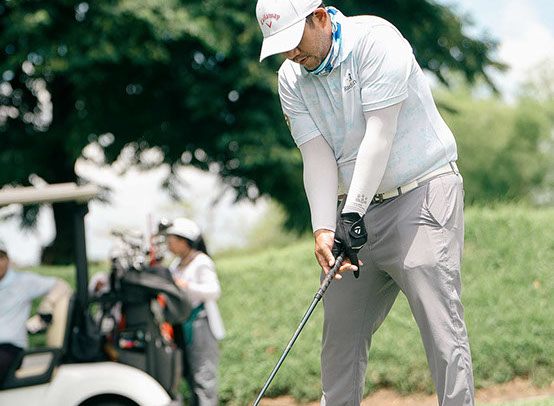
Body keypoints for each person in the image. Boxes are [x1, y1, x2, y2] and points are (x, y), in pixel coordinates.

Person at [256, 1, 474, 405]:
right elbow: (316, 155)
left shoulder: (376, 41)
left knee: (441, 328)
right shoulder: (290, 78)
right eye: (280, 46)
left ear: (320, 17)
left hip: (421, 194)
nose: (291, 53)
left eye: (294, 40)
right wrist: (324, 227)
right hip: (354, 212)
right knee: (339, 338)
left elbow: (380, 134)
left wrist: (351, 212)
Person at [165, 218, 225, 406]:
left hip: (200, 323)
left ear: (184, 241)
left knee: (203, 375)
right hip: (181, 324)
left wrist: (186, 286)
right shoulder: (175, 265)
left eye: (171, 240)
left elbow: (213, 291)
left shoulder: (201, 262)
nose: (168, 245)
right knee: (188, 376)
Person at [0, 240, 71, 386]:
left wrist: (48, 303)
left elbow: (61, 284)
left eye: (0, 258)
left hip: (10, 348)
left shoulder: (23, 281)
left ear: (7, 259)